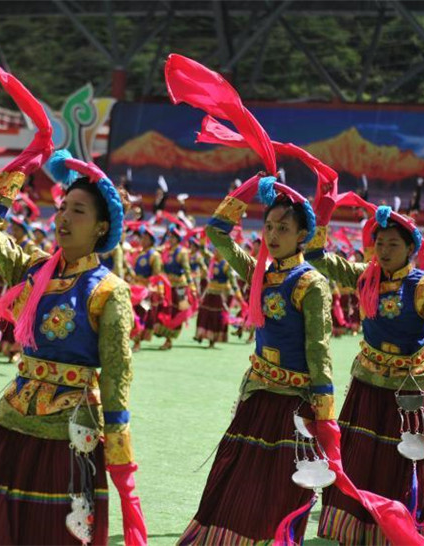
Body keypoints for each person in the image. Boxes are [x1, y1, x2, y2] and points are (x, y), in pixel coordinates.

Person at [0, 150, 145, 545]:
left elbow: (117, 374)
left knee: (52, 533)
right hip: (12, 421)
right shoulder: (32, 269)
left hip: (70, 433)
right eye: (62, 207)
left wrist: (120, 446)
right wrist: (21, 166)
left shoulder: (108, 291)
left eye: (79, 212)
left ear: (101, 227)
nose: (64, 218)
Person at [181, 175, 333, 543]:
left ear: (303, 235)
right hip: (257, 393)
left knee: (282, 484)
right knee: (234, 472)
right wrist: (248, 188)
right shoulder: (259, 274)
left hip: (293, 404)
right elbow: (217, 234)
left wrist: (325, 413)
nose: (273, 234)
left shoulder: (311, 283)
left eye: (283, 227)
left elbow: (319, 350)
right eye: (268, 226)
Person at [308, 206, 424, 544]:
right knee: (359, 456)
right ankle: (355, 526)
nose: (384, 250)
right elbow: (317, 257)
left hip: (413, 389)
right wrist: (322, 211)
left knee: (404, 461)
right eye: (380, 243)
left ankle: (403, 528)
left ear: (411, 248)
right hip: (369, 382)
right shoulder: (366, 276)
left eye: (393, 244)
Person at [193, 245, 240, 348]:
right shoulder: (212, 260)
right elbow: (203, 251)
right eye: (215, 250)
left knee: (215, 316)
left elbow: (232, 281)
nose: (215, 251)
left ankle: (212, 340)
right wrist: (202, 239)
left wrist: (237, 293)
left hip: (221, 295)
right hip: (210, 292)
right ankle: (201, 334)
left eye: (217, 250)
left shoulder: (227, 265)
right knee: (204, 312)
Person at [155, 224, 192, 350]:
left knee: (178, 312)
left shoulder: (182, 252)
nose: (170, 239)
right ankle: (167, 338)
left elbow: (187, 270)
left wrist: (192, 286)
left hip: (180, 287)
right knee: (166, 310)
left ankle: (169, 339)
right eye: (169, 237)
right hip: (167, 286)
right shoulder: (165, 251)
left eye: (172, 237)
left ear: (177, 239)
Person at [129, 225, 163, 351]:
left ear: (150, 240)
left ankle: (137, 342)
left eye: (144, 238)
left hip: (146, 290)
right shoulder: (138, 253)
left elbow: (156, 276)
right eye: (142, 237)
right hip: (134, 288)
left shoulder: (155, 255)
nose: (142, 240)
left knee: (142, 314)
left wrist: (156, 290)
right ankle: (133, 339)